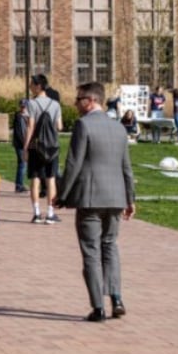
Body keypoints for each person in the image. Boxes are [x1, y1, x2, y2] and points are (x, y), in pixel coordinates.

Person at [54, 81, 136, 322]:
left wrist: (63, 193)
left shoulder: (83, 125)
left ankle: (98, 306)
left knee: (91, 250)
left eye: (79, 99)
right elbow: (126, 167)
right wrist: (130, 198)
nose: (75, 104)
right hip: (115, 197)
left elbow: (74, 162)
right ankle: (117, 298)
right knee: (110, 246)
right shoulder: (119, 128)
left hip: (90, 198)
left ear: (91, 101)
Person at [22, 74, 62, 224]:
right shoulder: (55, 104)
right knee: (51, 178)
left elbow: (30, 126)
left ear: (38, 86)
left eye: (32, 84)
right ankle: (50, 213)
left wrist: (26, 147)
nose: (30, 87)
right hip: (52, 147)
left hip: (35, 146)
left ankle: (37, 213)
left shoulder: (31, 104)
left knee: (35, 179)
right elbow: (59, 126)